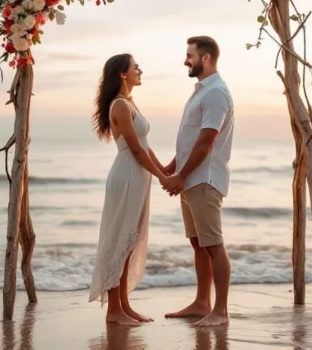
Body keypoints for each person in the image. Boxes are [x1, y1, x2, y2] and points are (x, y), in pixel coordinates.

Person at [88, 53, 170, 327]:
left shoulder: (130, 103)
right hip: (128, 174)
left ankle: (124, 306)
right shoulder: (120, 105)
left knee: (130, 240)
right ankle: (113, 311)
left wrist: (164, 171)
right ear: (123, 74)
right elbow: (135, 149)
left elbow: (144, 145)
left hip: (138, 173)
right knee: (121, 239)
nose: (140, 70)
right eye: (136, 67)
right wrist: (161, 177)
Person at [162, 36, 234, 327]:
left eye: (189, 55)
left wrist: (180, 174)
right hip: (191, 178)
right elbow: (191, 140)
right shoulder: (201, 92)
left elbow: (206, 142)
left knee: (214, 244)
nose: (185, 61)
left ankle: (221, 311)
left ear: (205, 58)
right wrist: (171, 167)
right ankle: (202, 302)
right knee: (198, 243)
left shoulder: (216, 93)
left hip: (204, 179)